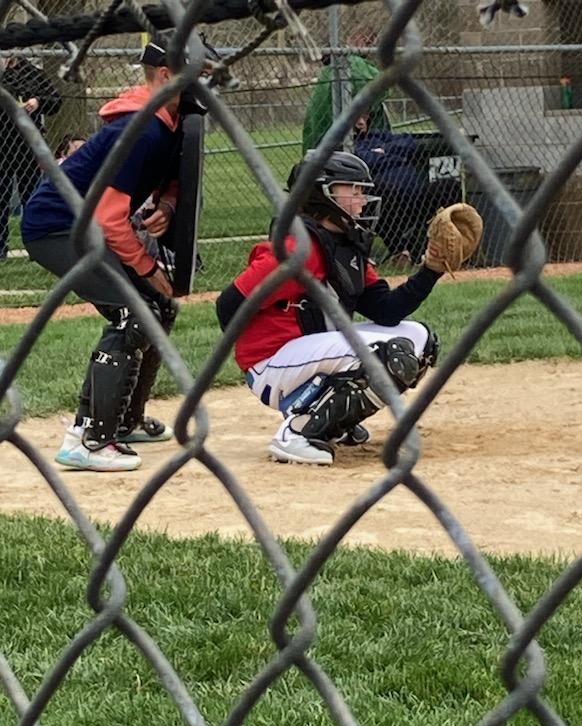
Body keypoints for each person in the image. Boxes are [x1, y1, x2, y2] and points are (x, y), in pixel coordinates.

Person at [21, 40, 187, 472]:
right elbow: (113, 219)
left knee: (160, 309)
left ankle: (123, 419)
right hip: (58, 226)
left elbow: (170, 179)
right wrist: (147, 269)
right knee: (131, 314)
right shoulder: (141, 128)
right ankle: (88, 439)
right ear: (168, 76)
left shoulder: (170, 123)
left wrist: (166, 205)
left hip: (88, 226)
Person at [215, 151, 441, 466]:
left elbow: (387, 311)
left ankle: (333, 420)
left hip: (310, 353)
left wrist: (431, 269)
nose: (363, 198)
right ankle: (297, 432)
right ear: (320, 193)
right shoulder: (297, 250)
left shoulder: (344, 246)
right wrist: (268, 338)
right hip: (272, 364)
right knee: (393, 353)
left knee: (419, 339)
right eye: (354, 189)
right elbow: (228, 305)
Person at [353, 113, 461, 264]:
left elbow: (409, 142)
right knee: (381, 193)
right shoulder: (349, 144)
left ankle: (432, 249)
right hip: (389, 197)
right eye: (356, 118)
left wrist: (385, 149)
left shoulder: (379, 136)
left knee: (449, 186)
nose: (361, 122)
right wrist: (398, 157)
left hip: (417, 191)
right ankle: (401, 250)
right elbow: (365, 160)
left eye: (364, 117)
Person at [0, 54, 62, 260]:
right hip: (3, 145)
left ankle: (36, 247)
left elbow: (56, 101)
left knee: (32, 198)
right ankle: (1, 249)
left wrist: (38, 101)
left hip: (29, 145)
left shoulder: (34, 75)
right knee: (2, 198)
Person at [302, 30, 390, 154]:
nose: (369, 46)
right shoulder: (354, 64)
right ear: (352, 38)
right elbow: (381, 87)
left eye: (371, 43)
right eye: (366, 41)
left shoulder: (331, 69)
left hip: (321, 136)